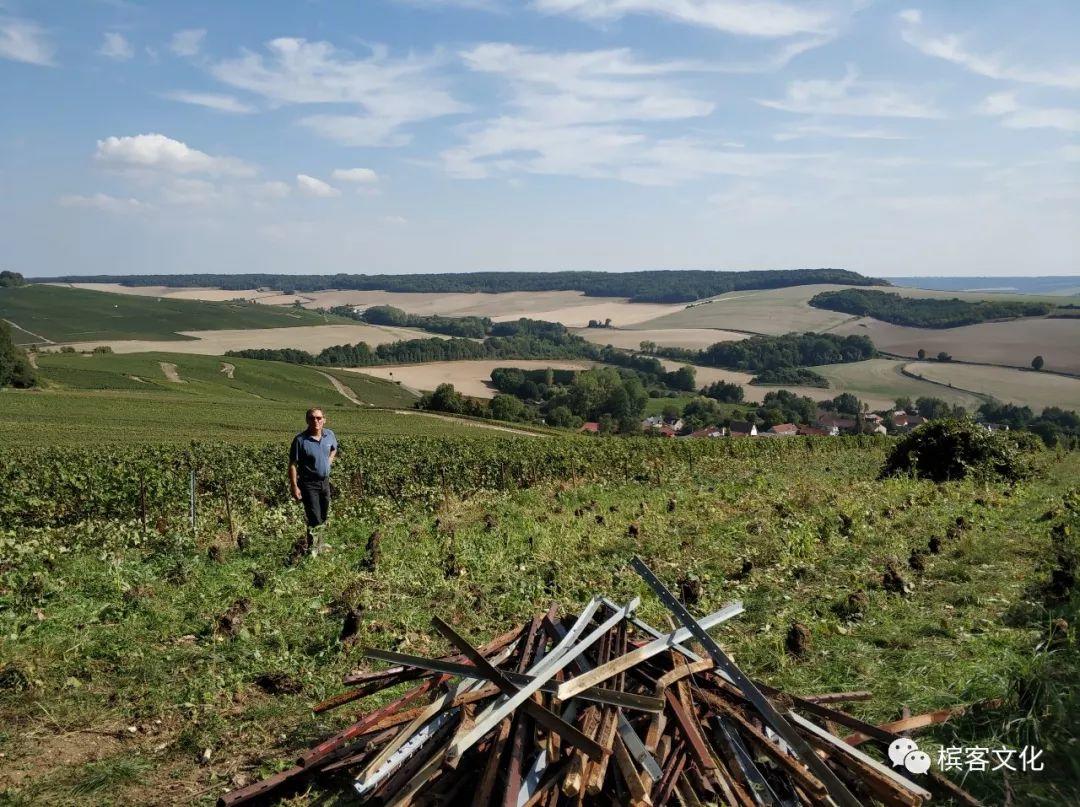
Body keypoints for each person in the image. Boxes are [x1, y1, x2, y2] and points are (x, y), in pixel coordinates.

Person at [288, 407, 338, 556]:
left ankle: (319, 545)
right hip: (308, 484)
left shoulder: (330, 435)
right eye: (312, 418)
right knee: (314, 517)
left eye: (318, 418)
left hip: (324, 482)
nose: (315, 421)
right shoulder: (300, 440)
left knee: (323, 515)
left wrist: (329, 461)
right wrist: (294, 486)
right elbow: (292, 464)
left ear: (324, 420)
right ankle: (313, 549)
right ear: (307, 420)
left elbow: (334, 448)